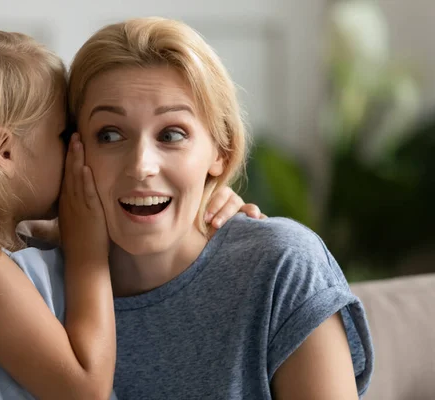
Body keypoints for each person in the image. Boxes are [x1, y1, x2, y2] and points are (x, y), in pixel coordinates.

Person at [0, 29, 262, 399]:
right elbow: (85, 389)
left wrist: (205, 198)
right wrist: (88, 256)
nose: (76, 150)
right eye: (65, 134)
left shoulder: (15, 246)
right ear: (5, 151)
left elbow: (113, 224)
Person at [67, 17, 374, 399]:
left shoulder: (281, 266)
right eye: (109, 134)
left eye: (172, 134)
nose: (141, 165)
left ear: (221, 151)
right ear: (73, 149)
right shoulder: (33, 283)